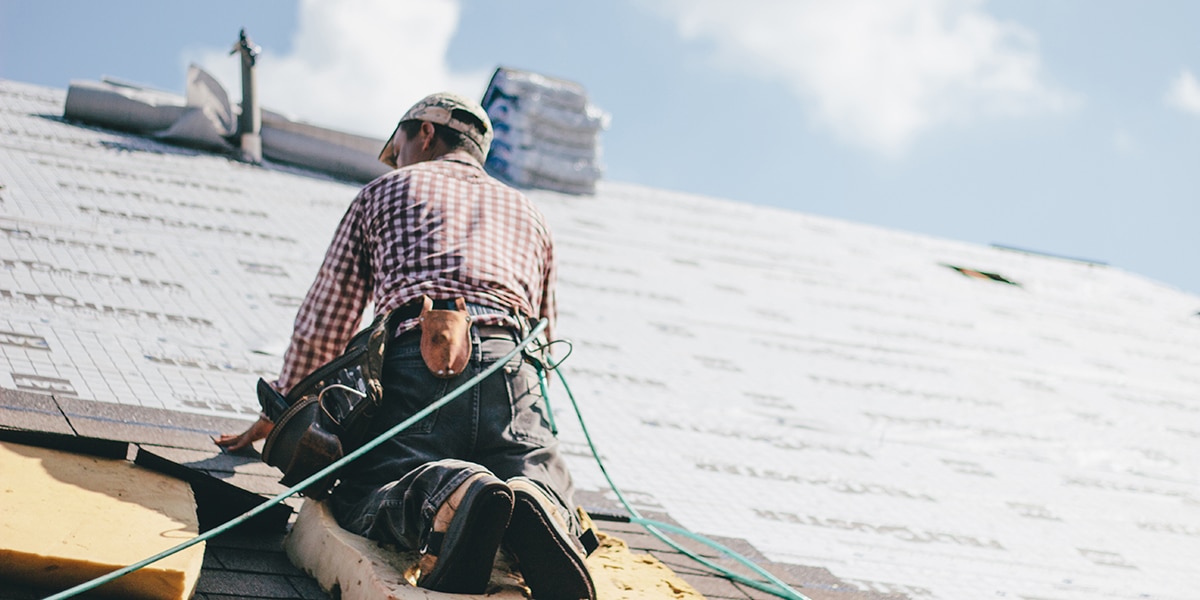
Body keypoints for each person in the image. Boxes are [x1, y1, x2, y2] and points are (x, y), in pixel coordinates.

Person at [216, 92, 594, 599]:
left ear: (424, 134)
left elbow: (327, 317)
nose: (396, 158)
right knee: (534, 477)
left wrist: (284, 406)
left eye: (397, 147)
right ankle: (537, 502)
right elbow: (546, 332)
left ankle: (452, 493)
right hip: (513, 368)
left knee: (369, 488)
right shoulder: (530, 213)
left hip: (419, 361)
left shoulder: (386, 191)